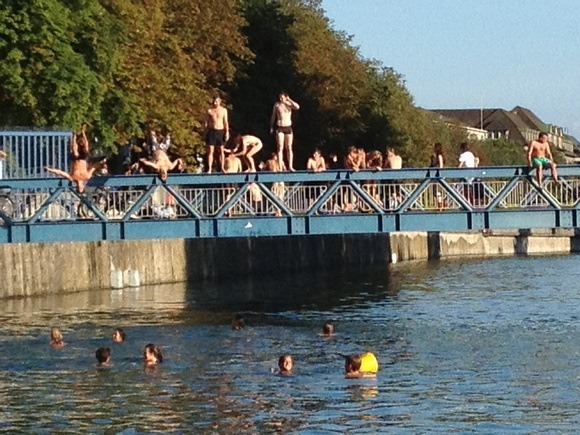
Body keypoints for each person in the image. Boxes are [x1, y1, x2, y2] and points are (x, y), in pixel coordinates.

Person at [45, 125, 106, 193]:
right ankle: (83, 132)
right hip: (83, 160)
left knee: (74, 151)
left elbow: (61, 173)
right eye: (80, 188)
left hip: (75, 160)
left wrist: (50, 170)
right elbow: (93, 167)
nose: (79, 187)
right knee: (86, 148)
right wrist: (101, 163)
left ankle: (74, 135)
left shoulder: (72, 178)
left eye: (78, 188)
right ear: (83, 187)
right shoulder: (87, 177)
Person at [270, 92, 300, 171]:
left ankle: (290, 166)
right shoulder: (277, 105)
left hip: (288, 127)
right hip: (280, 127)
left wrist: (289, 99)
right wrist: (271, 126)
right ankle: (280, 167)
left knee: (289, 147)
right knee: (280, 147)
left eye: (282, 98)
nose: (280, 99)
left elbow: (297, 107)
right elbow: (273, 116)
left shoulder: (289, 104)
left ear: (285, 98)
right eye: (280, 97)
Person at [205, 96, 229, 173]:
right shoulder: (210, 110)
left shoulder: (224, 110)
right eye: (214, 101)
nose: (214, 103)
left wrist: (227, 132)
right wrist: (205, 131)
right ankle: (209, 168)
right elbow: (206, 122)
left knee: (221, 150)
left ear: (219, 101)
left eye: (216, 101)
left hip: (220, 131)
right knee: (210, 151)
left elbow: (225, 122)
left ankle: (222, 167)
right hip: (212, 131)